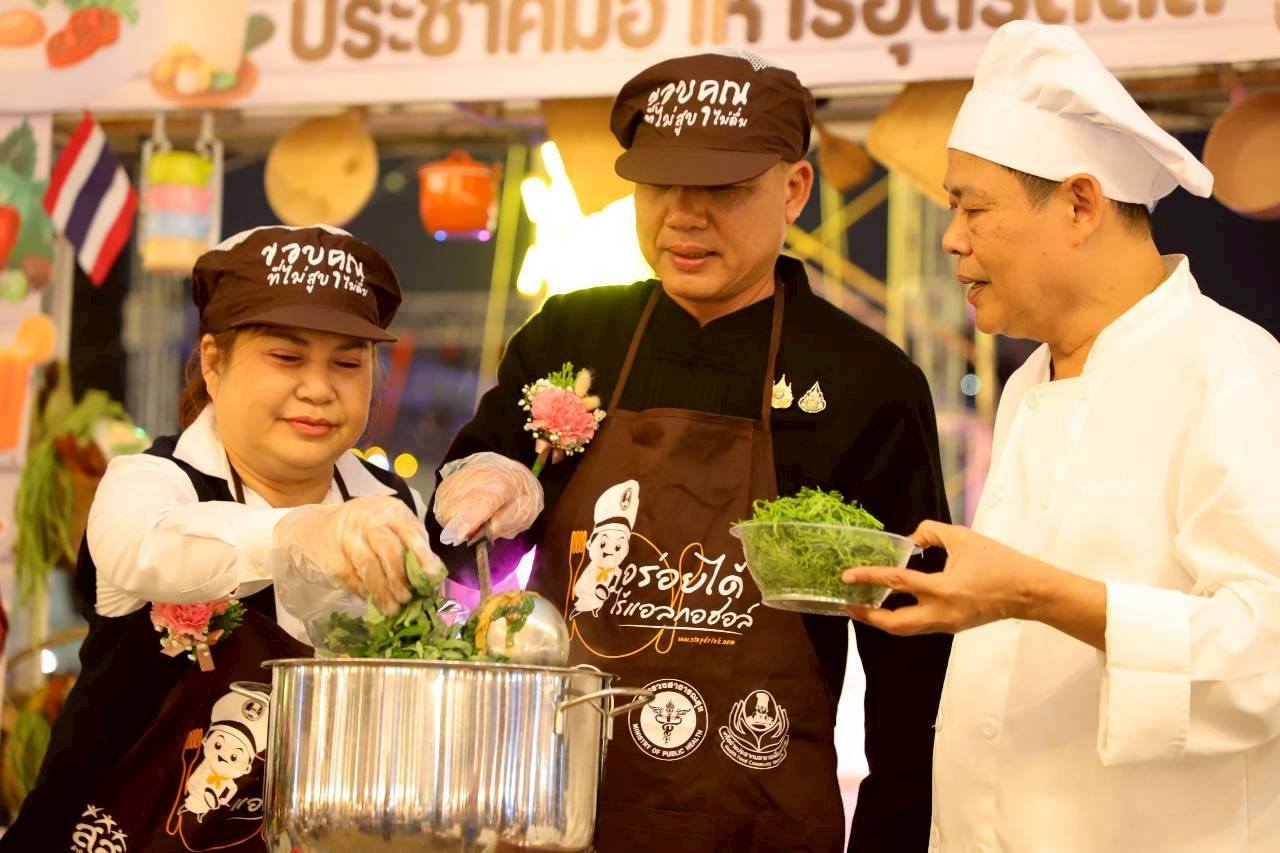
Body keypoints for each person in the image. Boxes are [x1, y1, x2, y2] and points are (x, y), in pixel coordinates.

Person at [429, 50, 952, 852]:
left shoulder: (864, 379)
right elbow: (460, 554)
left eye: (724, 189)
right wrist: (477, 489)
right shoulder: (572, 336)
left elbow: (913, 652)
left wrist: (891, 835)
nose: (684, 216)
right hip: (558, 814)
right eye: (661, 186)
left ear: (795, 189)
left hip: (762, 814)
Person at [842, 22, 1280, 853]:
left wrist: (1031, 592)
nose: (951, 237)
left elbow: (1268, 647)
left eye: (971, 206)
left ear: (1080, 204)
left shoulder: (1234, 372)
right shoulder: (1028, 383)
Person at [2, 225, 440, 851]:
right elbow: (147, 547)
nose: (319, 388)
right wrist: (298, 534)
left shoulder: (393, 505)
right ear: (213, 362)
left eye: (347, 361)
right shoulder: (148, 483)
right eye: (286, 358)